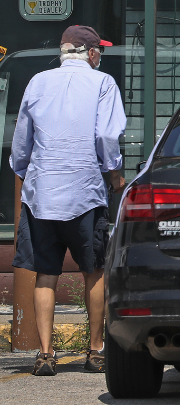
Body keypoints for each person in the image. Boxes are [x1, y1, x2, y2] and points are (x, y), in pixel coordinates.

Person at [10, 25, 127, 376]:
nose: (100, 56)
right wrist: (115, 173)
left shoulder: (37, 82)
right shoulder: (102, 83)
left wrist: (24, 169)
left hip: (41, 194)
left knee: (46, 273)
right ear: (90, 53)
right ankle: (95, 350)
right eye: (99, 51)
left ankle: (45, 355)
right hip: (84, 192)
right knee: (94, 270)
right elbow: (107, 134)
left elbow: (21, 142)